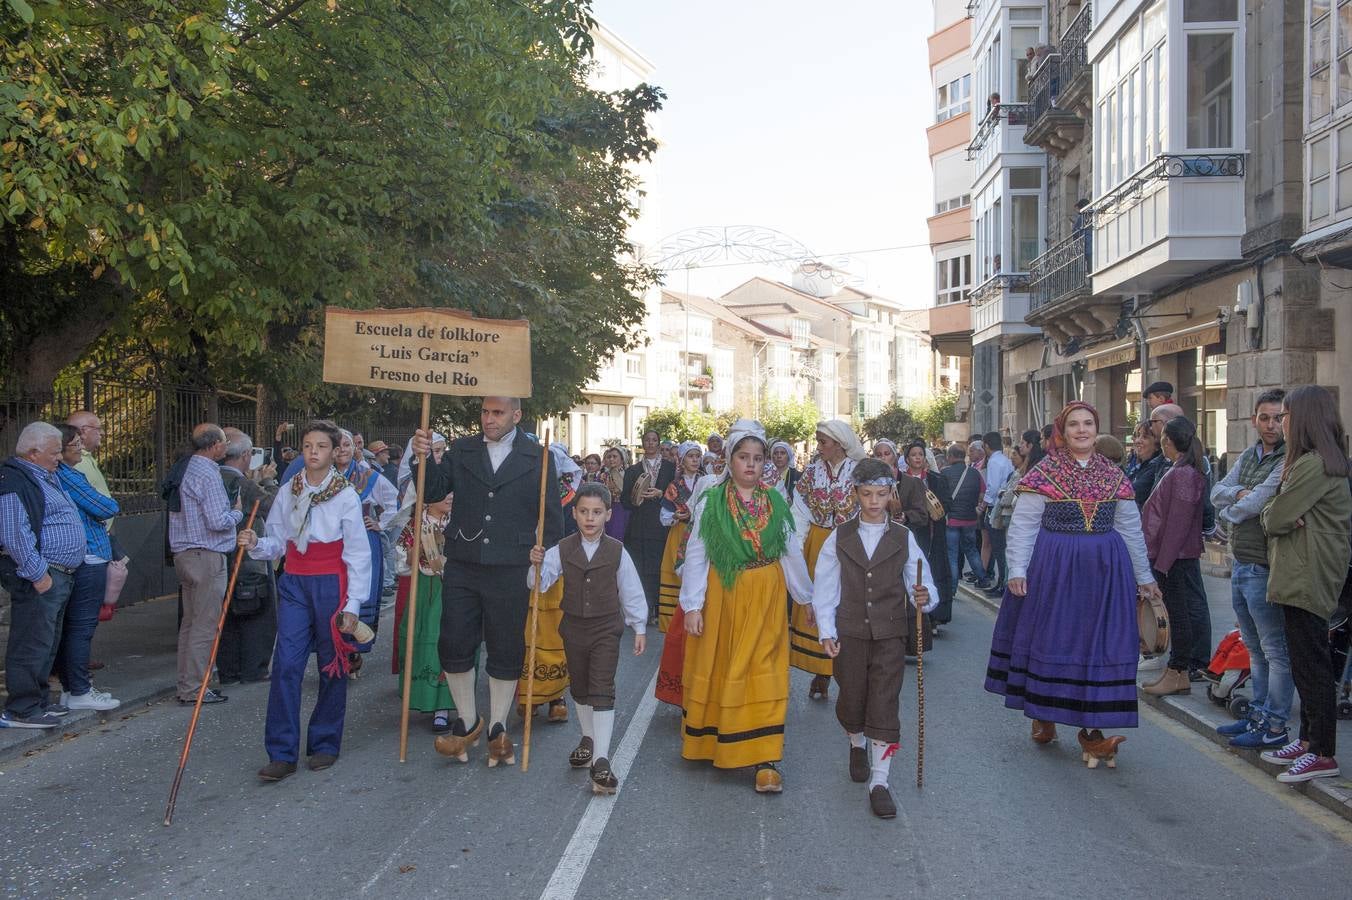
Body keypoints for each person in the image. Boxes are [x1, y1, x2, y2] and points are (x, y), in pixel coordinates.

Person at [984, 402, 1160, 765]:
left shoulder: (1114, 474)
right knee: (1055, 639)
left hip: (1106, 573)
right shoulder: (1044, 473)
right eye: (1075, 424)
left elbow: (1130, 528)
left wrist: (1144, 577)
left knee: (1098, 645)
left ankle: (1093, 732)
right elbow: (1024, 526)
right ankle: (1043, 714)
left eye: (1089, 423)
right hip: (1055, 569)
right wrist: (1017, 570)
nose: (1082, 430)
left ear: (1098, 429)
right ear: (1063, 431)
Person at [409, 397, 564, 767]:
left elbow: (554, 517)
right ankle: (466, 721)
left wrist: (545, 554)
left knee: (505, 644)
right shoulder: (462, 449)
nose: (489, 420)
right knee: (454, 640)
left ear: (516, 414)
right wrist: (424, 458)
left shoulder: (539, 456)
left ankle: (497, 727)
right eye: (484, 412)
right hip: (464, 560)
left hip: (512, 564)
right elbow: (432, 492)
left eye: (497, 413)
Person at [679, 419, 813, 792]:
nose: (751, 465)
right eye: (743, 457)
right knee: (726, 666)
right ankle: (717, 740)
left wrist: (804, 596)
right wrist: (693, 605)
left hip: (767, 596)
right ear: (729, 460)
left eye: (757, 458)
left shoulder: (775, 501)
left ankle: (765, 757)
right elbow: (697, 554)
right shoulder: (712, 502)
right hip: (725, 593)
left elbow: (789, 551)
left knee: (765, 668)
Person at [239, 420, 371, 780]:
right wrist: (256, 545)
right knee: (287, 663)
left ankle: (325, 742)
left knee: (332, 663)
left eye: (321, 446)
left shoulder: (345, 494)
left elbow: (358, 553)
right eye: (308, 445)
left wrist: (353, 605)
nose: (313, 452)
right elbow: (279, 541)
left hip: (331, 582)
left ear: (333, 452)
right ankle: (281, 751)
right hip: (295, 581)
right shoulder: (289, 490)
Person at [811, 458, 938, 818]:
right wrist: (826, 630)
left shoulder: (903, 536)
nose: (873, 501)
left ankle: (879, 781)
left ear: (890, 494)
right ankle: (855, 740)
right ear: (856, 494)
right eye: (866, 494)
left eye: (881, 494)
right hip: (849, 631)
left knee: (884, 701)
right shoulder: (840, 536)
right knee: (852, 696)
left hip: (890, 632)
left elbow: (923, 580)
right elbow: (825, 587)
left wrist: (925, 596)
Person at [528, 482, 647, 793]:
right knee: (579, 687)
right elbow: (538, 585)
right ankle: (588, 737)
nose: (590, 518)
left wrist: (640, 626)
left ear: (608, 514)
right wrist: (536, 564)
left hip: (606, 628)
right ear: (575, 514)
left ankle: (601, 761)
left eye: (596, 512)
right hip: (574, 628)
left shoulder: (617, 551)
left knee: (602, 688)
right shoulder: (561, 549)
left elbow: (631, 590)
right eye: (584, 512)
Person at [1258, 386, 1351, 784]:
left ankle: (1322, 752)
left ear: (1305, 419)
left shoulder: (1314, 465)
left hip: (1308, 574)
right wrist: (1279, 515)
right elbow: (1278, 515)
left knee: (1312, 666)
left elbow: (1274, 518)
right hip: (1302, 573)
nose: (1282, 423)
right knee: (1303, 662)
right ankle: (1308, 739)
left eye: (1286, 415)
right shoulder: (1316, 463)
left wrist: (1278, 516)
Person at [1212, 389, 1292, 749]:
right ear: (1254, 419)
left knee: (1275, 651)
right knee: (1255, 650)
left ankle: (1275, 724)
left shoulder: (1289, 457)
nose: (1271, 424)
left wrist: (1235, 503)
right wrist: (1240, 497)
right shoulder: (1249, 453)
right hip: (1240, 561)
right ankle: (1257, 715)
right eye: (1264, 417)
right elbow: (1218, 490)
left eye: (1278, 417)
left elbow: (1259, 501)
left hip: (1265, 564)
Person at [0, 423, 85, 729]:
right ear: (33, 453)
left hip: (58, 573)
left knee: (47, 640)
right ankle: (22, 708)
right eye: (54, 452)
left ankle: (38, 700)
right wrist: (38, 573)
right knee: (32, 641)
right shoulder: (14, 480)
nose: (60, 457)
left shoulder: (41, 476)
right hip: (42, 574)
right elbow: (13, 532)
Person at [790, 420, 867, 700]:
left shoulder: (860, 471)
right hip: (819, 544)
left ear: (839, 443)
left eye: (823, 442)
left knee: (849, 605)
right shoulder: (810, 473)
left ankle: (848, 672)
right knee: (822, 602)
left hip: (851, 545)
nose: (819, 446)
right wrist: (796, 549)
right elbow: (798, 512)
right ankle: (821, 670)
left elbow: (872, 508)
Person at [168, 424, 243, 706]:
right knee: (205, 625)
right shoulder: (208, 474)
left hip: (184, 553)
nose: (226, 447)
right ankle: (196, 687)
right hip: (206, 555)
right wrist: (236, 513)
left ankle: (187, 683)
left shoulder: (185, 467)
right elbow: (216, 520)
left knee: (190, 623)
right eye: (224, 442)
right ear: (214, 446)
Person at [50, 425, 121, 712]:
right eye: (75, 445)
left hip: (83, 554)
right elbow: (106, 507)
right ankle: (79, 689)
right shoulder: (68, 477)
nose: (81, 449)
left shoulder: (61, 476)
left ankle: (72, 687)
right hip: (90, 555)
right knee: (81, 626)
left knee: (72, 626)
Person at [1141, 417, 1210, 696]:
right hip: (1173, 556)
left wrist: (1163, 564)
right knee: (1178, 613)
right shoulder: (1181, 470)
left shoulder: (1183, 474)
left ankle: (1178, 670)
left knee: (1179, 615)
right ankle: (1176, 671)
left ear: (1168, 442)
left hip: (1175, 558)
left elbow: (1177, 525)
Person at [516, 444, 579, 724]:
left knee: (553, 636)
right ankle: (527, 694)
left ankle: (556, 696)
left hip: (553, 572)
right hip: (518, 570)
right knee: (523, 636)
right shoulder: (515, 491)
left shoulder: (569, 498)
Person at [391, 487, 461, 734]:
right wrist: (422, 546)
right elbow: (402, 562)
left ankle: (447, 706)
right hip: (425, 589)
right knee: (426, 641)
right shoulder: (417, 525)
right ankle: (426, 700)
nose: (450, 496)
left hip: (455, 589)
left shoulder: (461, 520)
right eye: (444, 492)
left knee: (452, 641)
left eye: (452, 491)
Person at [216, 428, 278, 686]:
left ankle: (228, 671)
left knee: (226, 617)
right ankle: (254, 669)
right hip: (247, 559)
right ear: (244, 455)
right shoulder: (242, 484)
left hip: (218, 556)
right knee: (257, 617)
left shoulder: (210, 477)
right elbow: (275, 506)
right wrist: (267, 481)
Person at [622, 429, 676, 625]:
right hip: (639, 527)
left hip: (662, 526)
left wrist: (661, 494)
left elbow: (677, 496)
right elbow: (625, 500)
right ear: (643, 443)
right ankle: (644, 608)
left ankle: (661, 610)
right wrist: (636, 498)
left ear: (659, 443)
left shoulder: (670, 468)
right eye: (647, 440)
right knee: (640, 569)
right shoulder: (633, 470)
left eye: (654, 440)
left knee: (660, 567)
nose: (651, 443)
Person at [902, 440, 953, 627]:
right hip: (910, 531)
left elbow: (947, 504)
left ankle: (934, 617)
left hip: (932, 534)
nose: (917, 458)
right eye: (914, 455)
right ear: (907, 459)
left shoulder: (936, 479)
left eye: (920, 455)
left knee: (933, 571)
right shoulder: (900, 480)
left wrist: (935, 511)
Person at [657, 441, 706, 633]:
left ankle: (696, 614)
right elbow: (663, 516)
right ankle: (673, 624)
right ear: (682, 460)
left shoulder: (707, 481)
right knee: (676, 574)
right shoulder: (674, 486)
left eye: (697, 456)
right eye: (690, 456)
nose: (695, 460)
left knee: (697, 572)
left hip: (700, 532)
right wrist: (675, 516)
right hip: (679, 533)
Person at [940, 443, 985, 593]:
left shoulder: (944, 473)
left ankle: (952, 589)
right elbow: (982, 494)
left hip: (952, 520)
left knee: (952, 555)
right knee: (972, 550)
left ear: (950, 456)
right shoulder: (975, 473)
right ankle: (983, 579)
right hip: (970, 520)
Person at [979, 430, 1014, 592]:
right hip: (1003, 505)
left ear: (986, 446)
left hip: (995, 507)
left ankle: (1002, 582)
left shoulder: (993, 461)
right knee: (1001, 547)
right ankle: (1003, 580)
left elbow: (992, 488)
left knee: (998, 547)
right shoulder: (1005, 460)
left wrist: (983, 506)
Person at [1130, 422, 1166, 508]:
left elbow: (1131, 492)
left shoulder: (1157, 467)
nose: (1138, 441)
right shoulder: (1140, 466)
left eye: (1145, 437)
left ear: (1157, 444)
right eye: (1137, 436)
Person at [599, 447, 630, 542]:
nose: (611, 459)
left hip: (625, 509)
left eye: (615, 456)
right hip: (609, 509)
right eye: (609, 457)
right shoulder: (603, 476)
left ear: (622, 459)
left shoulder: (629, 474)